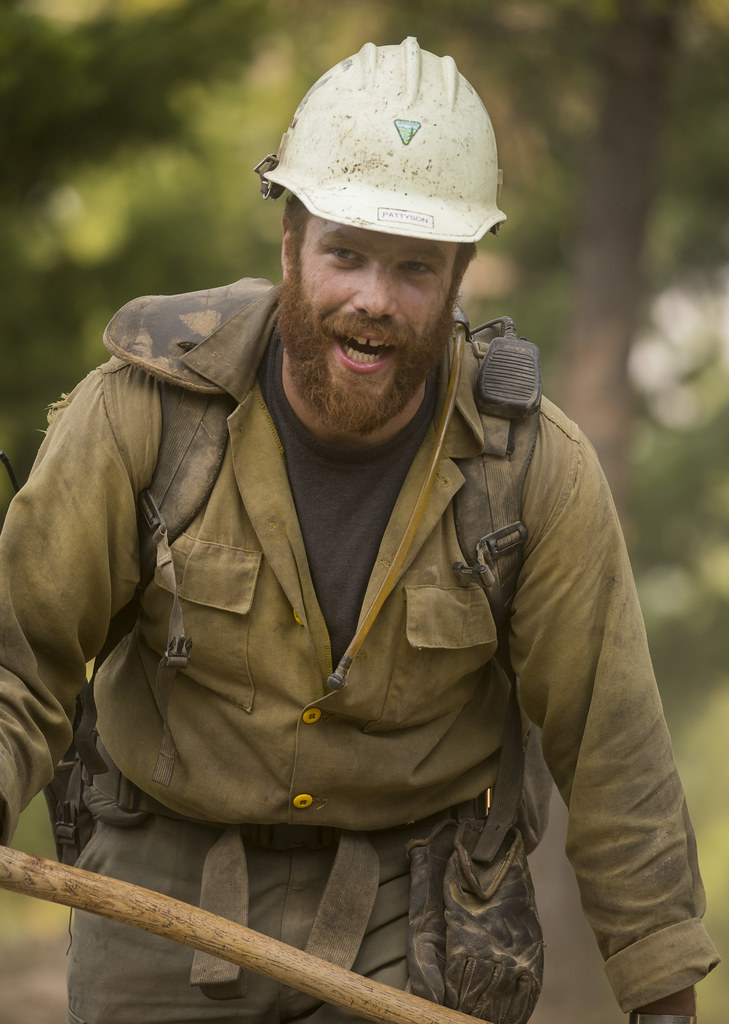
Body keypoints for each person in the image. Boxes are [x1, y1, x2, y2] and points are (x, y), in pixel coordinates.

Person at [0, 36, 719, 1024]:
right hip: (161, 894)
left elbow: (616, 755)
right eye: (346, 254)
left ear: (461, 275)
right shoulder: (138, 414)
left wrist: (664, 1003)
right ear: (291, 244)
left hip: (416, 916)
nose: (374, 301)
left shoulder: (534, 470)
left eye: (414, 267)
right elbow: (19, 662)